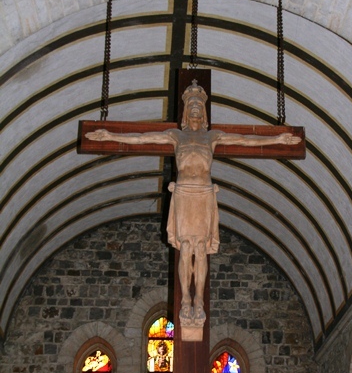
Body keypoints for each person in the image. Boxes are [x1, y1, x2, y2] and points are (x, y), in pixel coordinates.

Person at [86, 80, 301, 328]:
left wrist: (278, 140)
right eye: (192, 104)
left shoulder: (212, 137)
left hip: (204, 194)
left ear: (204, 112)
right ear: (186, 111)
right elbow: (141, 138)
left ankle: (199, 300)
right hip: (184, 194)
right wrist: (110, 135)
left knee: (201, 248)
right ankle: (185, 299)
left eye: (199, 104)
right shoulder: (176, 135)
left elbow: (245, 140)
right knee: (186, 247)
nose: (196, 107)